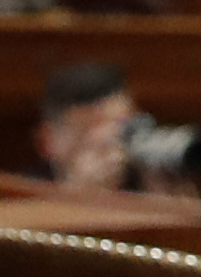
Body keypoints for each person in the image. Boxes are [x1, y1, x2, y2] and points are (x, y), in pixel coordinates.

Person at [29, 59, 146, 191]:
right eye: (86, 131)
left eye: (121, 126)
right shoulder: (24, 195)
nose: (107, 140)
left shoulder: (147, 174)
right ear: (47, 140)